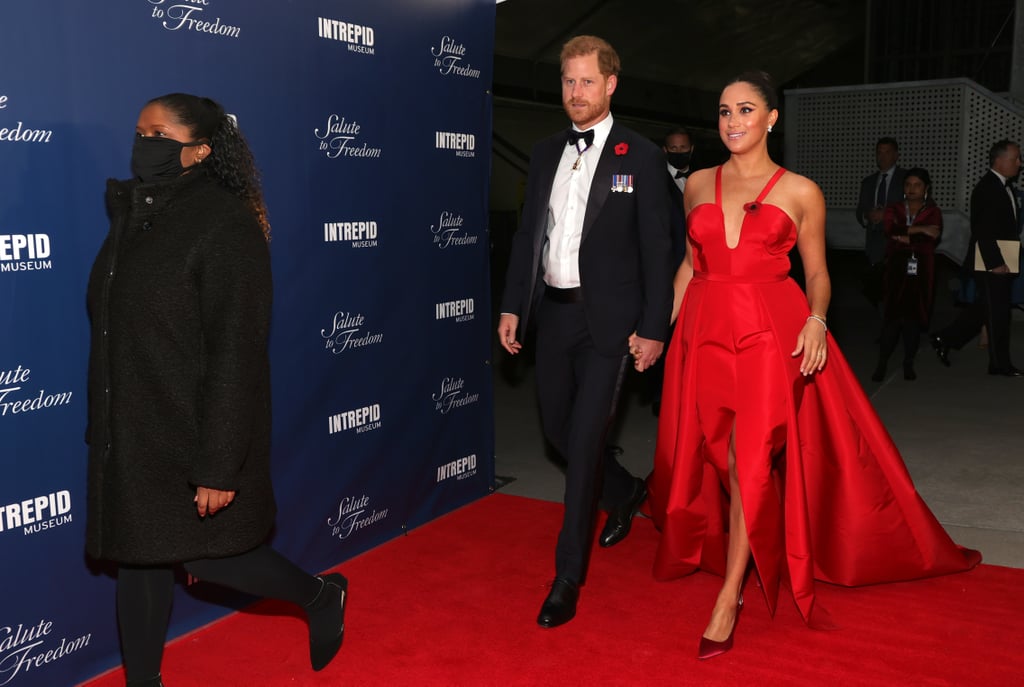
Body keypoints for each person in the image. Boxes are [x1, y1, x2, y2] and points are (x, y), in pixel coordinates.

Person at [646, 72, 980, 660]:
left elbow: (819, 274)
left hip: (770, 333)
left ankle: (730, 597)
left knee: (747, 456)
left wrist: (818, 319)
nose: (733, 121)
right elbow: (687, 266)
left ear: (772, 118)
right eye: (724, 111)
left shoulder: (801, 190)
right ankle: (751, 537)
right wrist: (658, 331)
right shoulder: (696, 183)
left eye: (746, 110)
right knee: (714, 454)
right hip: (703, 331)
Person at [86, 94, 347, 686]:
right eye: (138, 131)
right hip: (133, 427)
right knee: (140, 558)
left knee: (208, 554)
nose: (143, 144)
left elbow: (237, 352)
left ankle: (317, 595)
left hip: (192, 426)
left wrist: (220, 463)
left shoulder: (224, 224)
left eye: (159, 134)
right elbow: (112, 328)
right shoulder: (133, 215)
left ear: (200, 150)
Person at [497, 35, 673, 629]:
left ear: (611, 84)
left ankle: (567, 574)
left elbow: (658, 249)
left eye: (587, 82)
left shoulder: (640, 156)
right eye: (569, 82)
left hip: (612, 324)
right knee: (558, 431)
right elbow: (528, 236)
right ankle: (624, 493)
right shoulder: (546, 150)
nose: (576, 93)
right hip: (555, 314)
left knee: (587, 435)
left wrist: (653, 327)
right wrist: (513, 306)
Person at [930, 140, 1022, 376]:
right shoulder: (987, 188)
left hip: (1001, 258)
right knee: (999, 313)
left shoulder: (1004, 186)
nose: (1020, 164)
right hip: (991, 262)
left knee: (984, 309)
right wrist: (995, 263)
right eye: (1016, 159)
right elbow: (984, 230)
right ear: (1000, 161)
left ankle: (944, 338)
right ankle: (999, 365)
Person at [872, 168, 942, 381]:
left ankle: (908, 363)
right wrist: (921, 230)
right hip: (896, 270)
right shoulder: (894, 208)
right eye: (908, 185)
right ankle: (882, 362)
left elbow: (931, 239)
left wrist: (906, 236)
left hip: (922, 270)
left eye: (917, 185)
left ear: (926, 188)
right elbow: (890, 230)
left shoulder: (933, 211)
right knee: (892, 318)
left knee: (913, 319)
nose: (911, 189)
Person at [856, 138, 906, 305]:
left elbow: (915, 208)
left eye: (887, 152)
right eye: (879, 152)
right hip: (875, 243)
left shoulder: (906, 179)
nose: (882, 157)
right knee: (877, 288)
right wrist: (868, 215)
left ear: (896, 155)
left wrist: (888, 215)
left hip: (898, 242)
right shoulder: (869, 182)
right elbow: (860, 211)